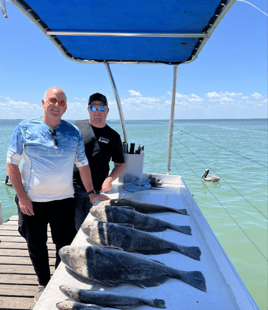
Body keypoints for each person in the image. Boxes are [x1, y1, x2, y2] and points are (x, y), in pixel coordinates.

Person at [6, 87, 108, 303]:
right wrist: (22, 197)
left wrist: (91, 193)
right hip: (33, 201)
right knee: (36, 244)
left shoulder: (73, 132)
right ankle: (43, 283)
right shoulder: (25, 128)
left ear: (66, 107)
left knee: (64, 243)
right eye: (53, 100)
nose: (57, 105)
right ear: (43, 102)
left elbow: (83, 165)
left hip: (64, 200)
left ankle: (60, 278)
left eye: (62, 102)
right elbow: (11, 164)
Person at [73, 93, 125, 229]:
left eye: (101, 108)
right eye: (93, 108)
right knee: (73, 228)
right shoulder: (76, 128)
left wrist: (109, 180)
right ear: (88, 109)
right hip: (73, 188)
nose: (97, 112)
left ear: (107, 111)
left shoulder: (113, 136)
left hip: (97, 192)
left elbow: (120, 164)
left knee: (93, 227)